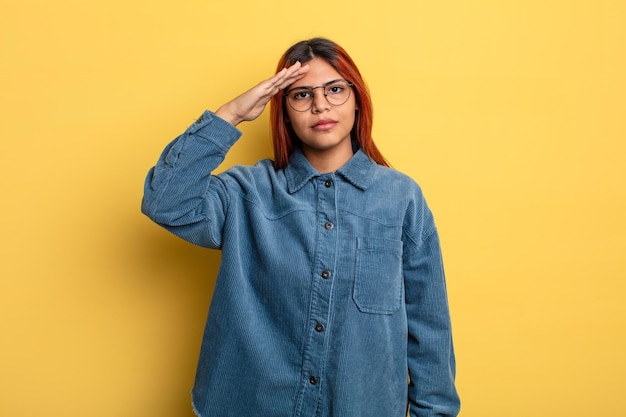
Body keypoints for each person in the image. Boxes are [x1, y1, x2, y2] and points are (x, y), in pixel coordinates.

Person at [142, 37, 460, 417]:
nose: (321, 105)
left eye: (335, 90)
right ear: (284, 111)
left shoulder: (401, 198)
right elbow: (165, 202)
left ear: (358, 100)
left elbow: (429, 324)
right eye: (301, 95)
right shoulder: (247, 192)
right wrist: (230, 115)